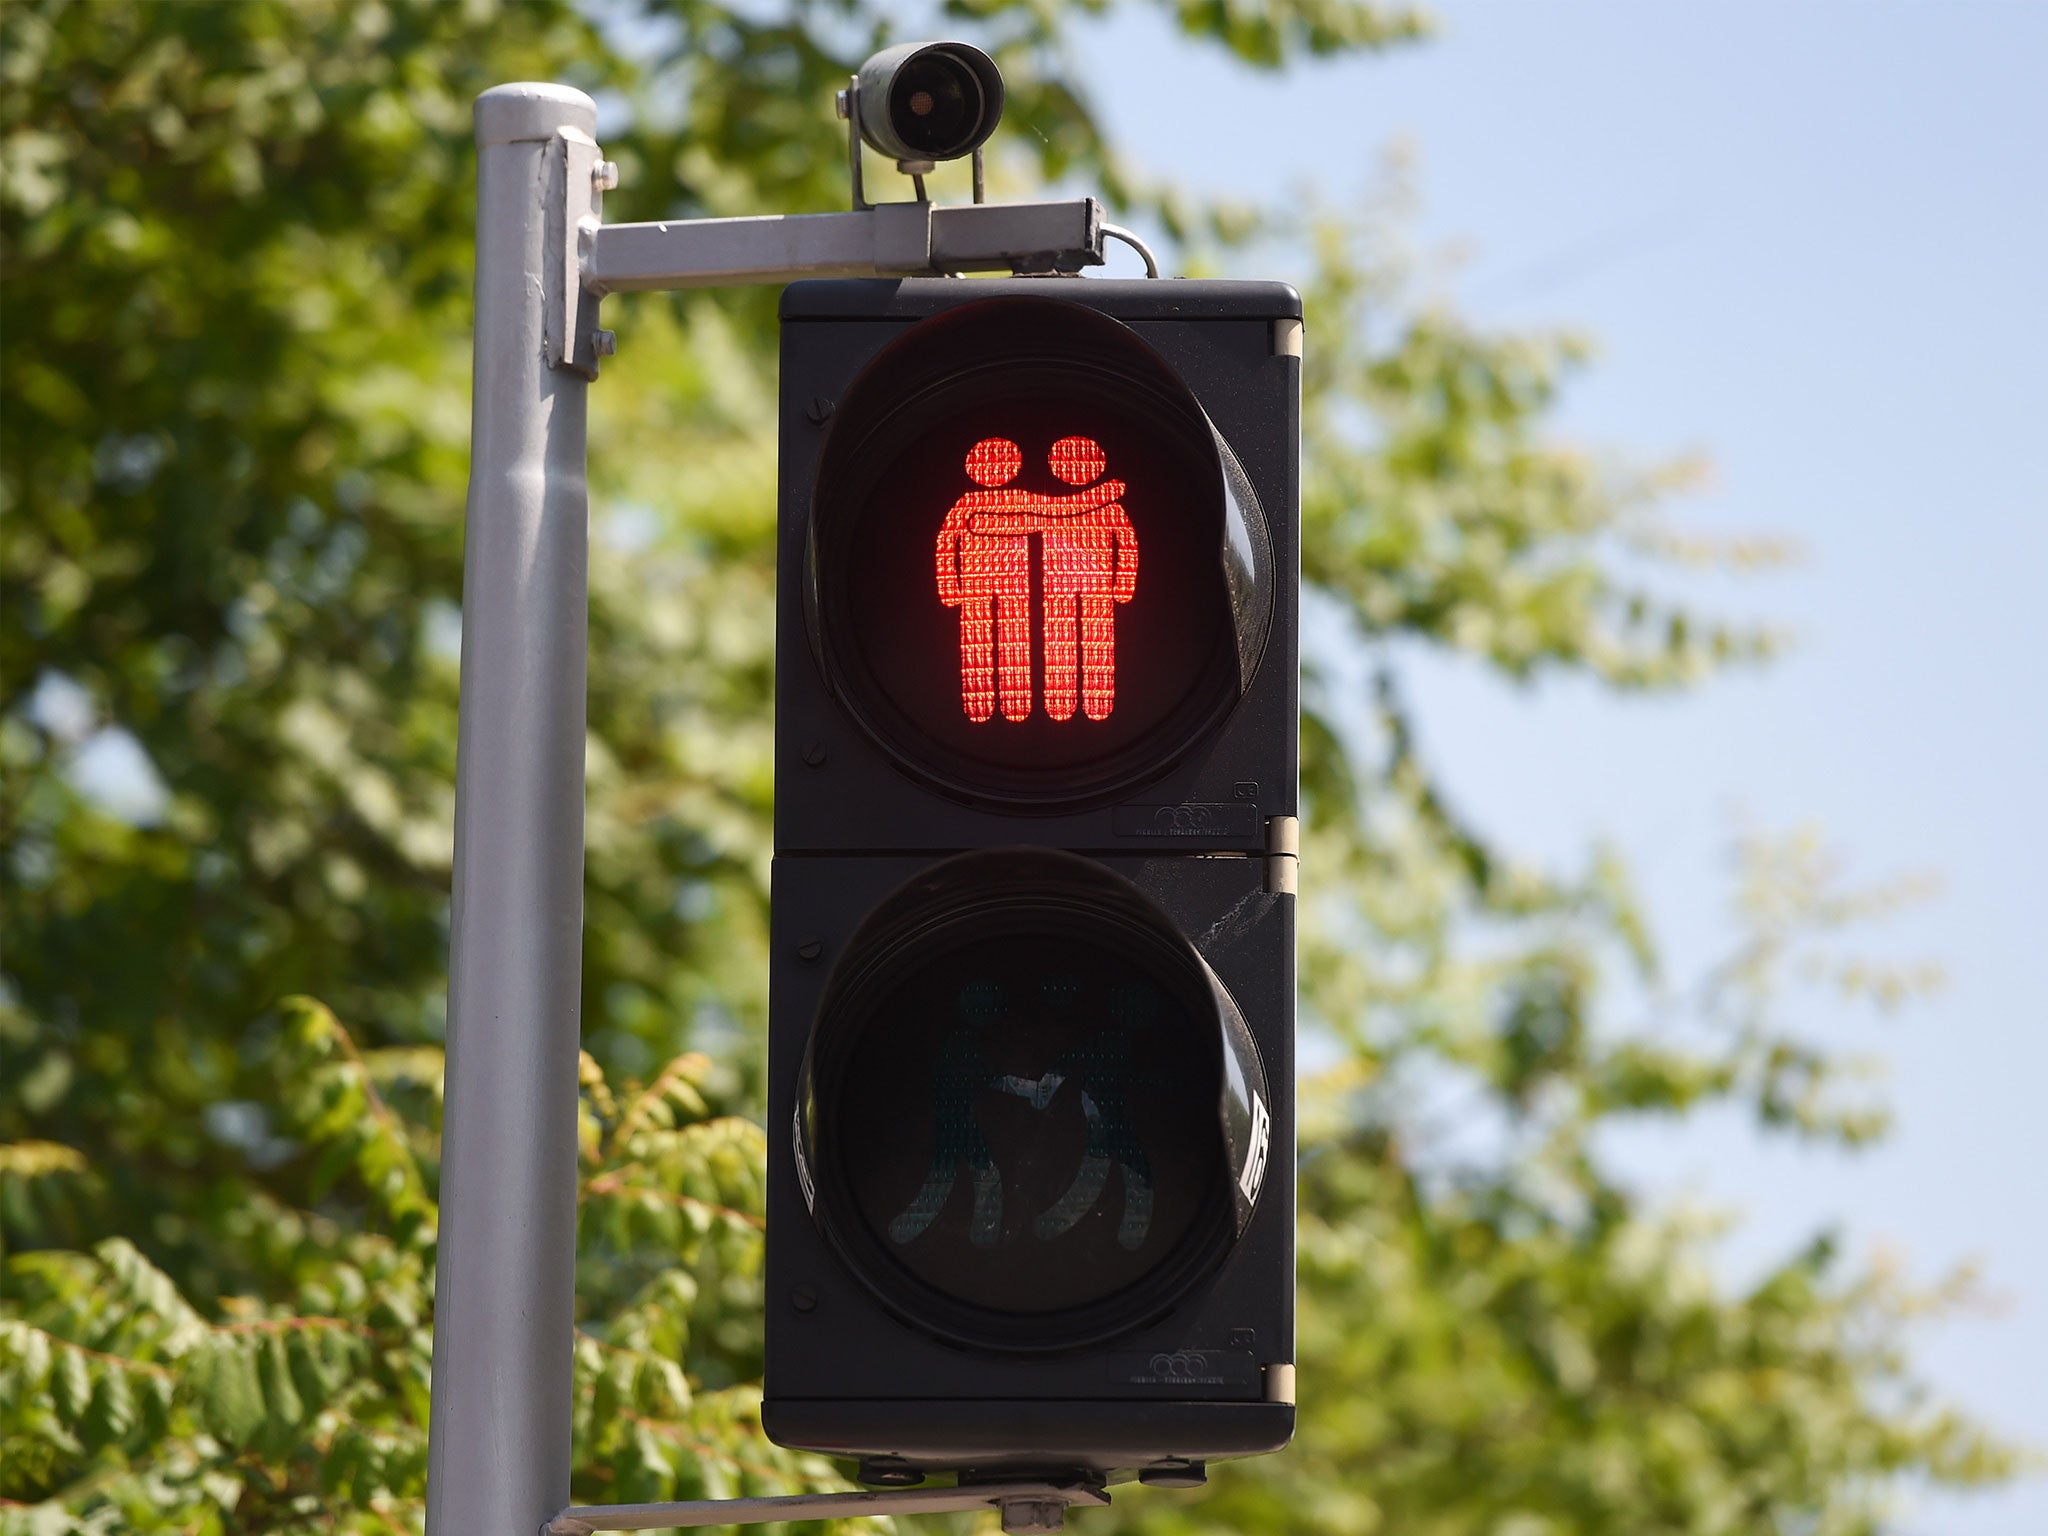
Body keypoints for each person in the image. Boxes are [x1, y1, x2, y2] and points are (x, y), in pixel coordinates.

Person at [935, 437, 1125, 722]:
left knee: (1086, 648)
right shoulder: (972, 505)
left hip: (1070, 585)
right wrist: (950, 587)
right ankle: (992, 707)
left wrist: (1122, 584)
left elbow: (1125, 541)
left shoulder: (1106, 507)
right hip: (996, 587)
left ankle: (1088, 705)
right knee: (991, 649)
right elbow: (947, 544)